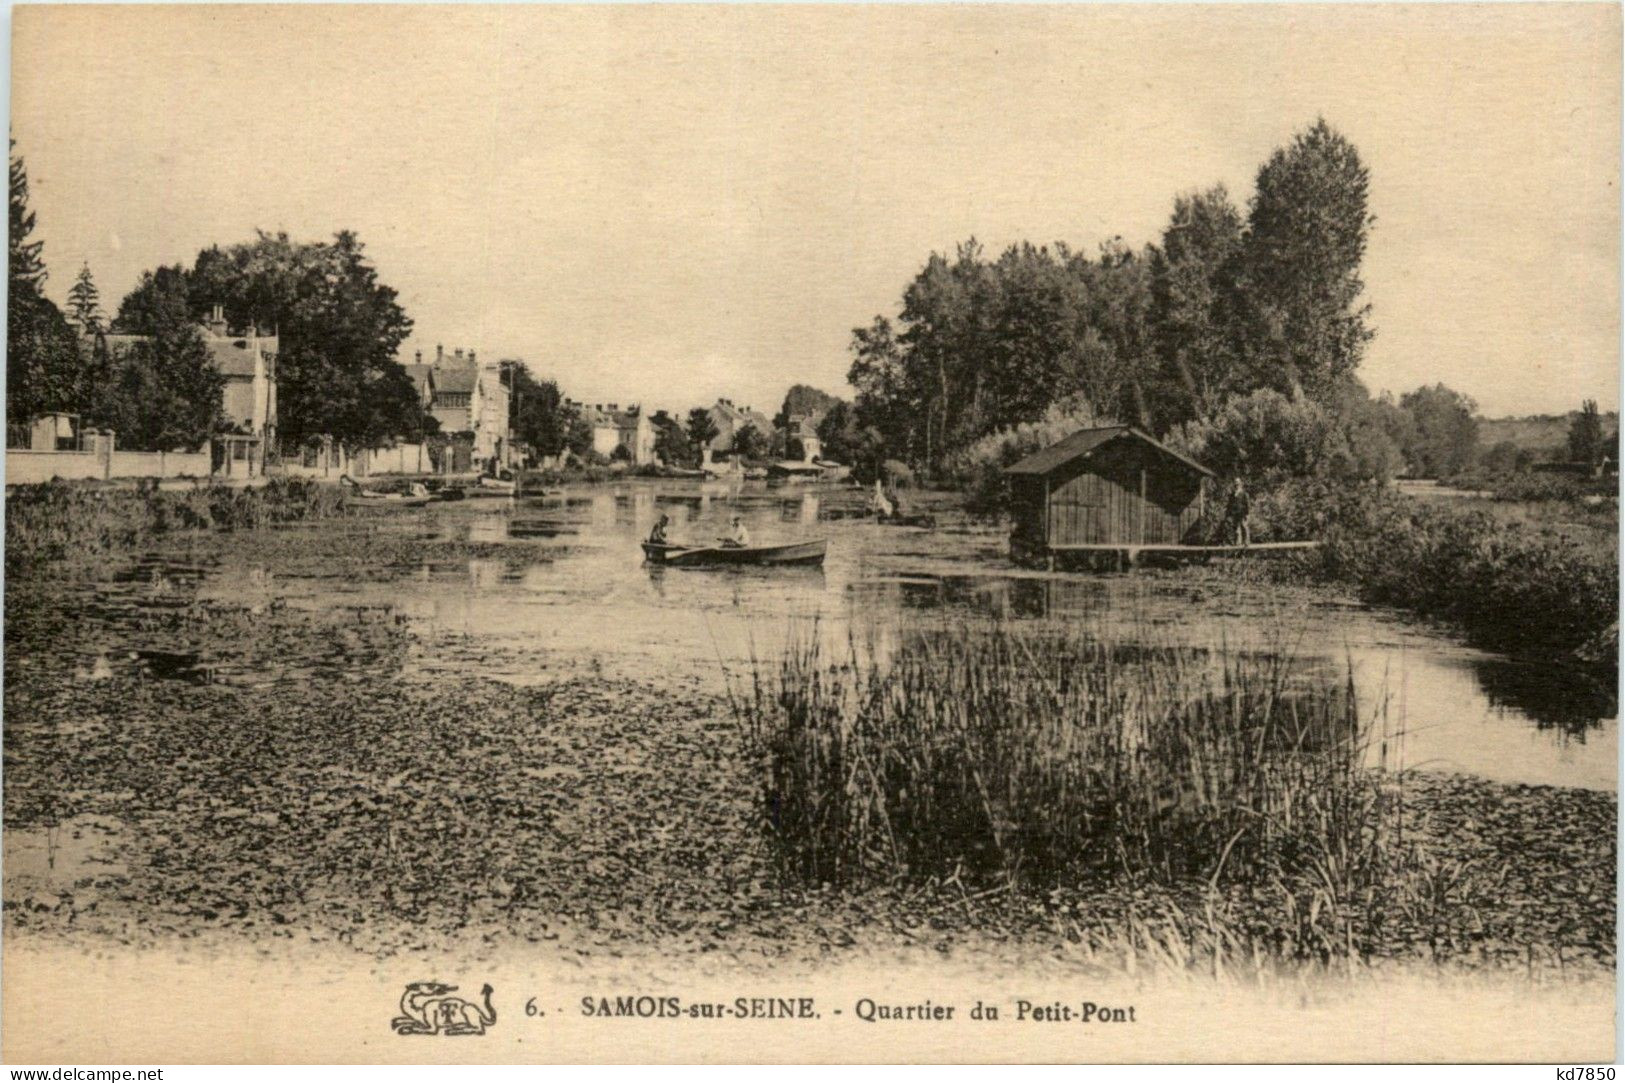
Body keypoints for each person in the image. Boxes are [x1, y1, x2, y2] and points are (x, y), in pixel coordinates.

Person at [1225, 477, 1252, 547]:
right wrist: (1228, 513)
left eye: (1238, 483)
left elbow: (1247, 504)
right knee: (1237, 528)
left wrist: (1248, 514)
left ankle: (1246, 542)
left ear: (1241, 484)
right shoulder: (1232, 494)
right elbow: (1229, 505)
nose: (1236, 485)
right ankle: (1238, 543)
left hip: (1243, 513)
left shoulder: (1244, 493)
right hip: (1235, 514)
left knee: (1244, 526)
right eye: (1235, 484)